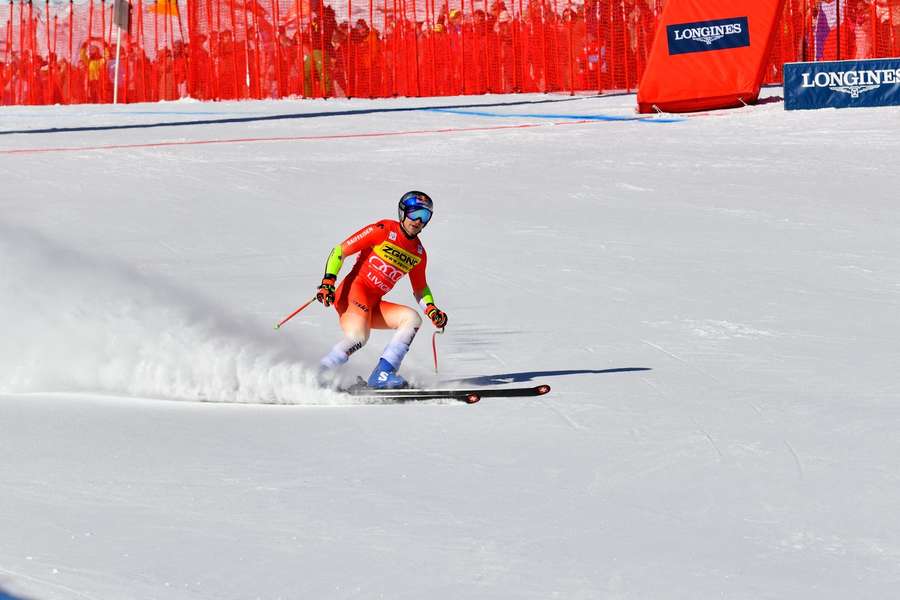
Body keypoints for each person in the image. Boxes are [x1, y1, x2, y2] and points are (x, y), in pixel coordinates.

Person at [315, 191, 449, 389]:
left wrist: (431, 309)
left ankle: (383, 374)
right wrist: (328, 282)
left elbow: (420, 287)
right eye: (414, 213)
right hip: (352, 293)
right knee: (358, 337)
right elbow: (340, 251)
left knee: (412, 319)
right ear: (402, 212)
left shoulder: (419, 253)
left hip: (372, 303)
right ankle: (321, 374)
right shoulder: (383, 229)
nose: (418, 221)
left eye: (425, 216)